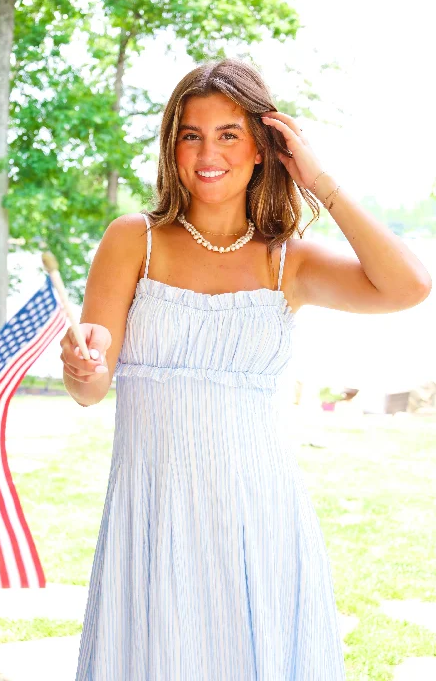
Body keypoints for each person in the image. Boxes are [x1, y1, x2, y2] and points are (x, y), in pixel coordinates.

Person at [60, 58, 432, 680]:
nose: (209, 152)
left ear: (263, 147)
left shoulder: (287, 261)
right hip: (152, 517)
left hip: (259, 521)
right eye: (191, 134)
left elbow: (411, 286)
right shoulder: (134, 240)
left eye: (229, 134)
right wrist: (79, 364)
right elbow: (91, 387)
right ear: (172, 147)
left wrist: (320, 182)